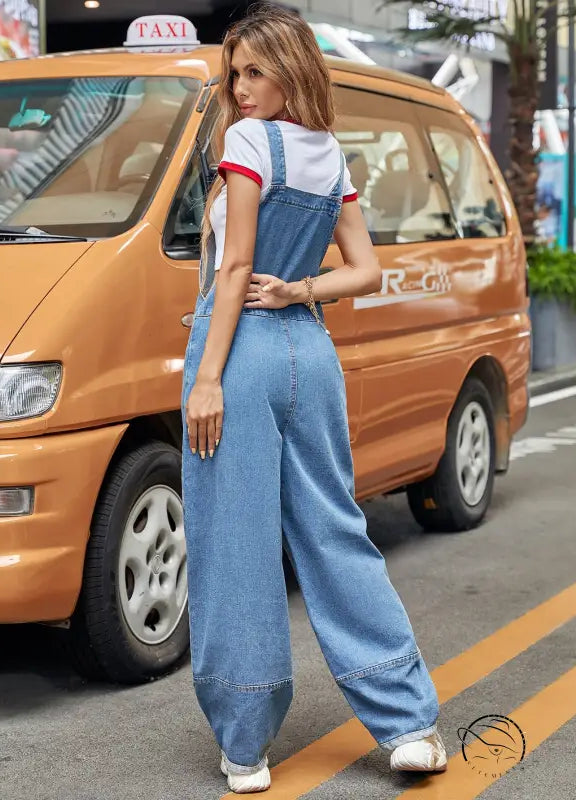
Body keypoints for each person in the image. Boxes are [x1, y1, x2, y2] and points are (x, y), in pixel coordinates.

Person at [181, 3, 447, 793]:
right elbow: (364, 270)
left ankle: (245, 741)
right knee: (336, 533)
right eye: (235, 74)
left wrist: (205, 378)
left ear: (291, 69)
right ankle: (407, 725)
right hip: (311, 350)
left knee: (236, 544)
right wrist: (301, 288)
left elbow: (232, 273)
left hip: (241, 356)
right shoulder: (331, 153)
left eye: (256, 71)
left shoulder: (243, 143)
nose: (242, 87)